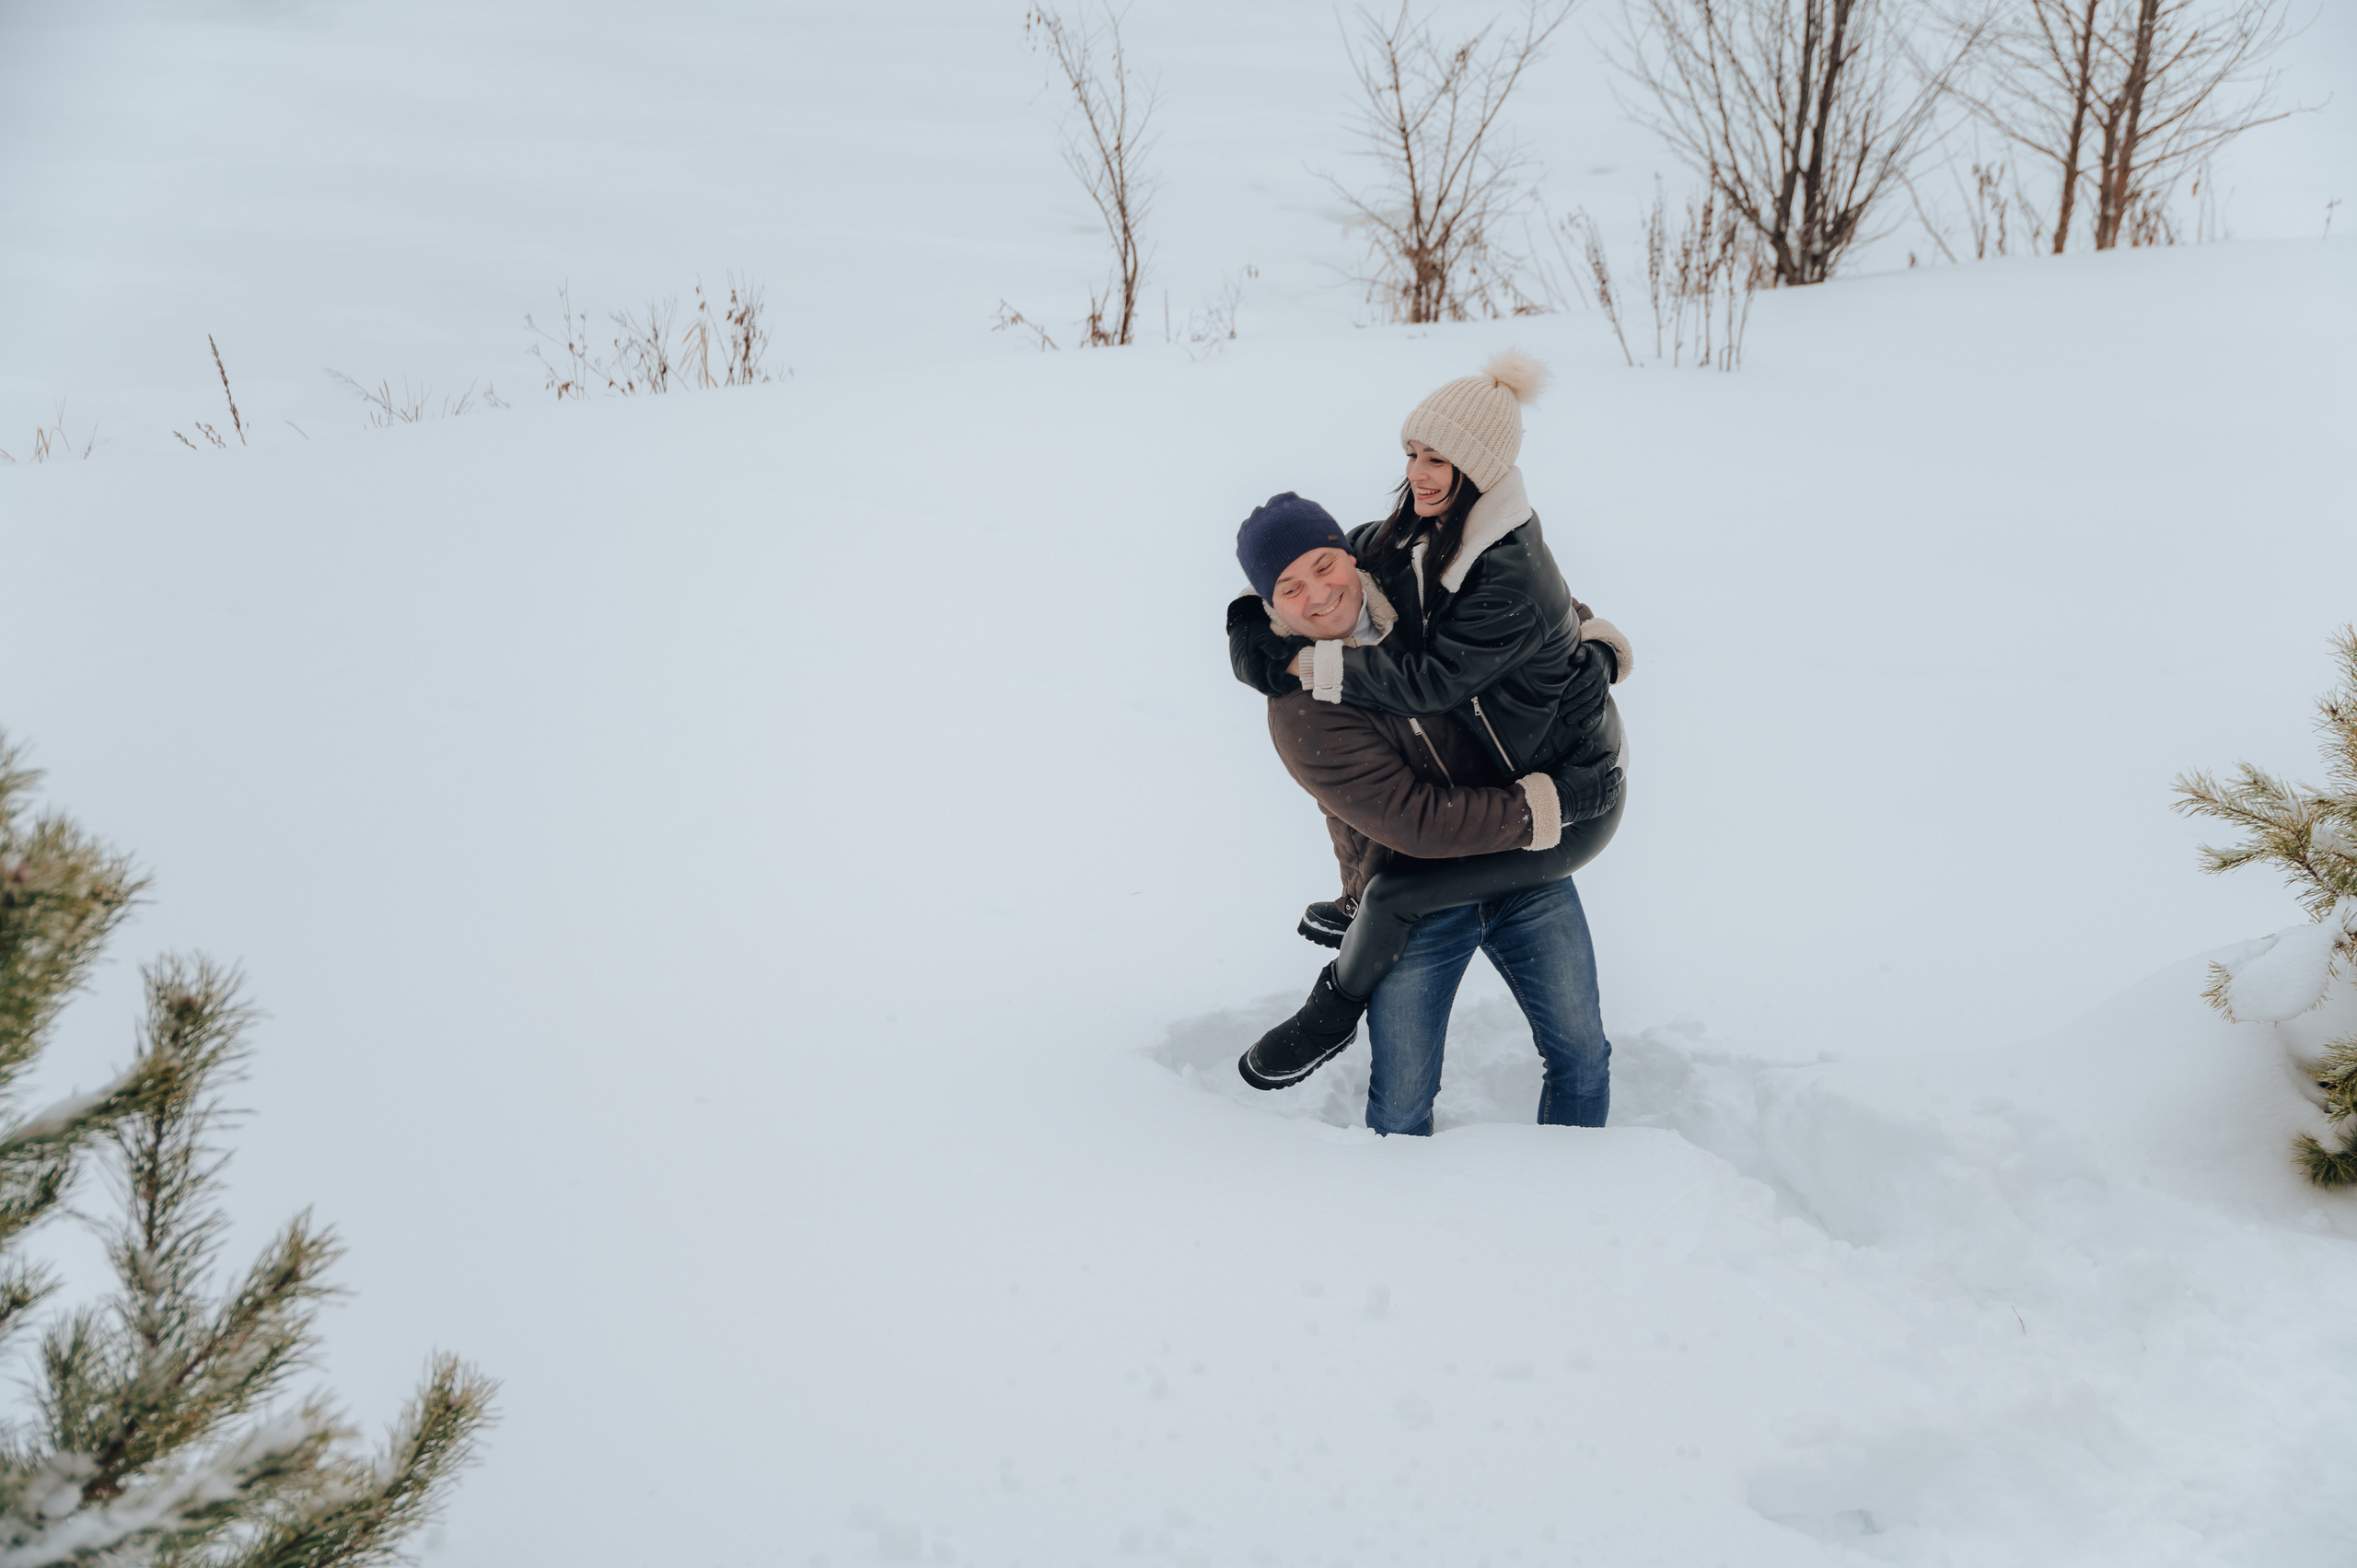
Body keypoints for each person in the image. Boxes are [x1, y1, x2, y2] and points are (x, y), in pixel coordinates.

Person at [1226, 351, 1632, 1101]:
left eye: (1325, 565)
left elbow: (1529, 624)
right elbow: (1416, 822)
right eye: (1289, 588)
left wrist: (1597, 654)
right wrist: (1262, 644)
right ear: (1271, 606)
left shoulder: (1426, 568)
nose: (1319, 594)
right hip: (1440, 860)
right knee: (1404, 1085)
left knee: (1580, 1051)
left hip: (1541, 821)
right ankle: (1344, 1022)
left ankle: (1581, 1193)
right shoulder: (1305, 706)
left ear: (1350, 556)